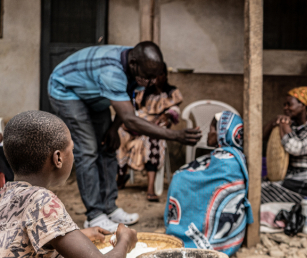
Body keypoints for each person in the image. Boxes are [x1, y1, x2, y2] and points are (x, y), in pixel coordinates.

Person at [0, 110, 167, 258]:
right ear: (58, 158)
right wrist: (125, 242)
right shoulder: (42, 200)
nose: (74, 155)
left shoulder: (6, 195)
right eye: (72, 149)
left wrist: (79, 233)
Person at [48, 41, 201, 232]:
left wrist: (113, 129)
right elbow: (130, 119)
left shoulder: (139, 67)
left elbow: (126, 104)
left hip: (94, 96)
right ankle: (94, 215)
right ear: (134, 64)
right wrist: (175, 135)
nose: (151, 82)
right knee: (88, 151)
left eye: (155, 77)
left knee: (109, 146)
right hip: (67, 91)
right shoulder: (112, 71)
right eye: (148, 77)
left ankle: (109, 208)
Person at [164, 111, 253, 257]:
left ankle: (187, 234)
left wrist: (181, 177)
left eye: (213, 129)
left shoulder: (226, 159)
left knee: (180, 178)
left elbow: (203, 180)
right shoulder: (229, 156)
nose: (209, 133)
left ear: (224, 132)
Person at [117, 63, 182, 202]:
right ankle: (120, 178)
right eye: (153, 76)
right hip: (139, 125)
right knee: (120, 133)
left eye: (159, 75)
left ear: (165, 75)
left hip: (156, 128)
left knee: (154, 137)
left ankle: (150, 188)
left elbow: (175, 110)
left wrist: (167, 115)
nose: (156, 78)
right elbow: (135, 109)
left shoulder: (171, 92)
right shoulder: (144, 92)